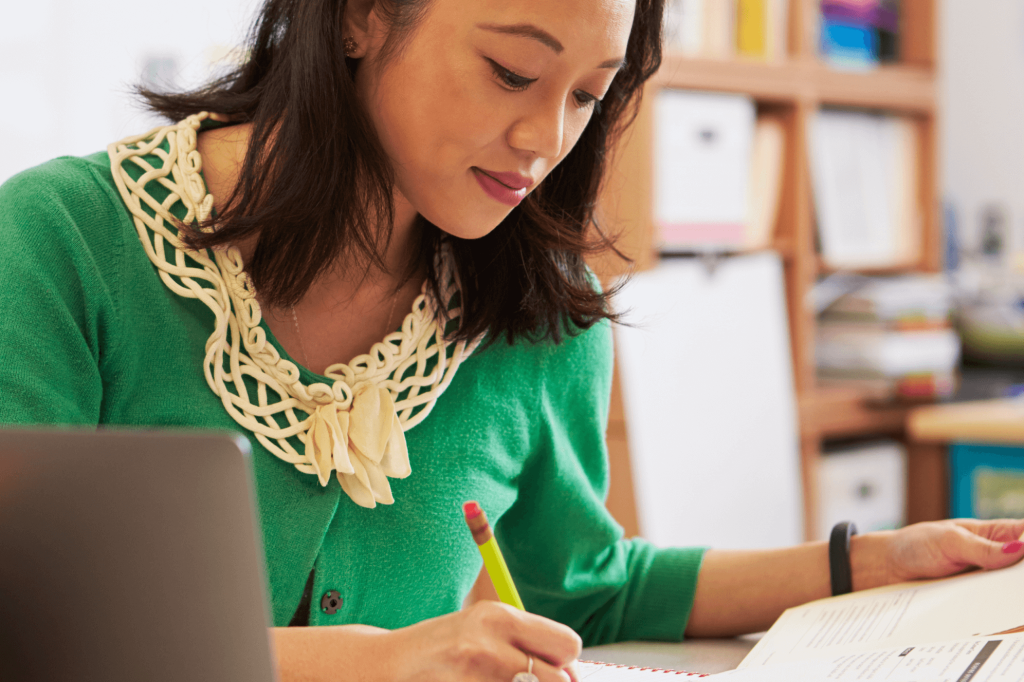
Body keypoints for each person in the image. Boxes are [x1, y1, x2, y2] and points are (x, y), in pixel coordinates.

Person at [0, 0, 1022, 680]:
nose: (546, 139)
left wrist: (867, 564)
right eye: (509, 71)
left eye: (586, 94)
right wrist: (381, 658)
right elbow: (35, 626)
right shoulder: (64, 244)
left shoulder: (539, 308)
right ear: (359, 15)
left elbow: (584, 583)